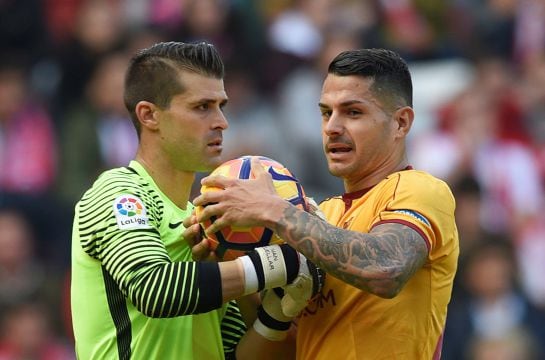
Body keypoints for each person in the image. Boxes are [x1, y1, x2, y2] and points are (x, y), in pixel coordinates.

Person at [193, 48, 460, 359]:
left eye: (353, 112)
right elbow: (271, 353)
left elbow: (386, 269)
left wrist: (274, 209)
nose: (332, 127)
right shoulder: (319, 215)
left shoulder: (422, 190)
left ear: (400, 123)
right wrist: (221, 259)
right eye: (325, 112)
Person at [70, 41, 322, 360]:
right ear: (149, 115)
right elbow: (154, 289)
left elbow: (234, 354)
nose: (221, 122)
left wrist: (276, 313)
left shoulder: (209, 227)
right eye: (202, 107)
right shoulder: (119, 190)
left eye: (221, 106)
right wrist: (279, 264)